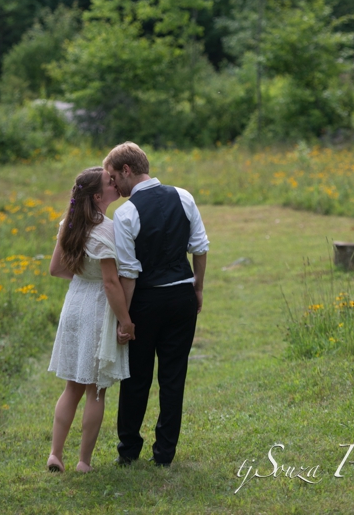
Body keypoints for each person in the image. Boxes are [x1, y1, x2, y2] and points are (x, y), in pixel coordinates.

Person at [104, 141, 209, 467]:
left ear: (126, 170)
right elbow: (200, 248)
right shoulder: (184, 196)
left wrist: (125, 320)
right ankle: (164, 453)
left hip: (147, 299)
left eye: (114, 177)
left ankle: (129, 450)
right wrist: (198, 289)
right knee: (173, 376)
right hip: (181, 297)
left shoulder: (126, 213)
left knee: (136, 377)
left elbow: (130, 273)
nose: (115, 187)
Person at [47, 166, 135, 473]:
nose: (115, 183)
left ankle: (55, 454)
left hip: (74, 303)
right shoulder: (106, 230)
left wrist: (84, 278)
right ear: (99, 196)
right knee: (96, 389)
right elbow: (111, 283)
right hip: (98, 309)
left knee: (72, 386)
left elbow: (56, 269)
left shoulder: (69, 225)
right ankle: (84, 461)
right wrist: (125, 322)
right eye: (110, 182)